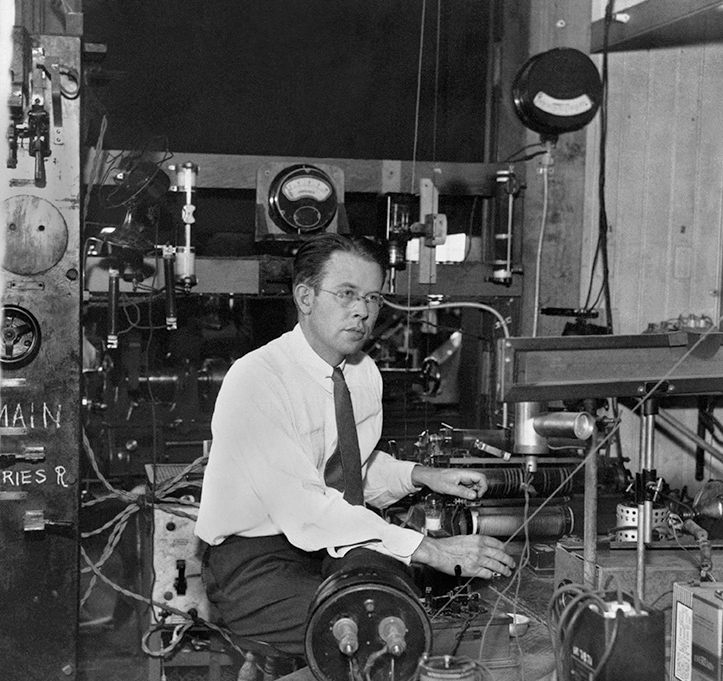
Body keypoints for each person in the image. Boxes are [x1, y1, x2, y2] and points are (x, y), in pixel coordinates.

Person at [195, 232, 515, 655]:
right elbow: (305, 508)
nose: (362, 311)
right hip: (256, 560)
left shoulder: (362, 373)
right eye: (346, 294)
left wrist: (421, 476)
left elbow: (348, 469)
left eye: (373, 298)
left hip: (334, 540)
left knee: (400, 611)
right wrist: (432, 550)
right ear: (305, 297)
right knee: (363, 630)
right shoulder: (256, 380)